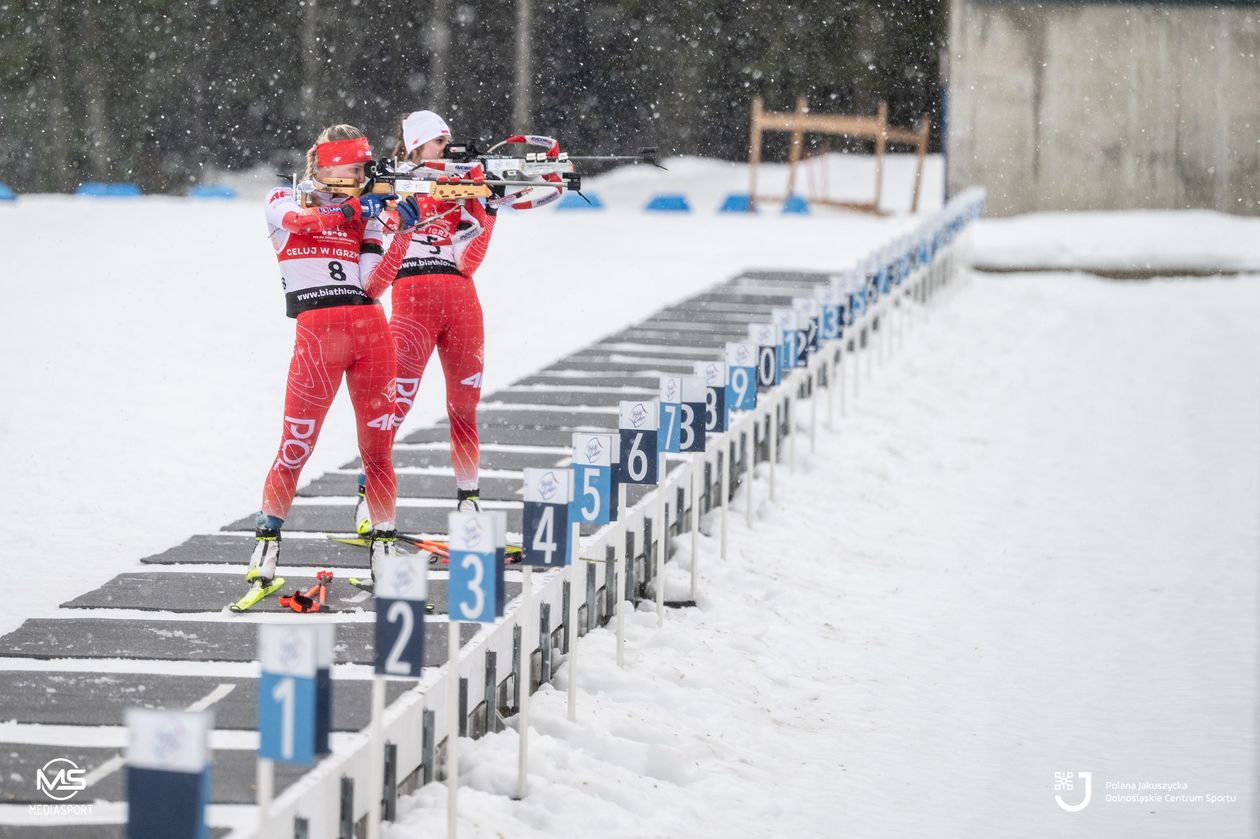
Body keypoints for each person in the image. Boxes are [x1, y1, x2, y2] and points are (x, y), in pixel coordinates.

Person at [248, 124, 427, 596]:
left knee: (378, 450)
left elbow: (372, 285)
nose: (365, 176)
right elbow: (301, 225)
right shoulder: (280, 199)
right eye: (356, 169)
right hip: (317, 334)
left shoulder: (364, 216)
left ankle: (384, 560)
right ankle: (265, 553)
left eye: (366, 171)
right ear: (326, 167)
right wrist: (354, 205)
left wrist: (403, 236)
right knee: (295, 447)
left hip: (371, 333)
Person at [353, 110, 496, 534]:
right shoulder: (391, 183)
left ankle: (469, 500)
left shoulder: (459, 185)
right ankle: (366, 498)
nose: (446, 149)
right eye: (438, 141)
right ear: (415, 144)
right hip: (413, 302)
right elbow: (379, 246)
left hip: (461, 300)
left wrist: (485, 210)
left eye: (448, 141)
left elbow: (469, 260)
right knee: (392, 409)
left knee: (464, 406)